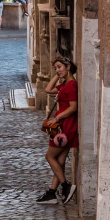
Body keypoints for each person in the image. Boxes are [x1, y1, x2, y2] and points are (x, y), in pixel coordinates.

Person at [39, 56, 79, 204]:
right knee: (59, 161)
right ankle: (52, 192)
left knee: (49, 156)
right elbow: (48, 89)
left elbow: (73, 107)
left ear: (68, 67)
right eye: (55, 68)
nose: (57, 70)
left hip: (64, 127)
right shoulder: (64, 84)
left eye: (60, 67)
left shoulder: (71, 85)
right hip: (64, 127)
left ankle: (65, 186)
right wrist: (59, 74)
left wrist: (56, 118)